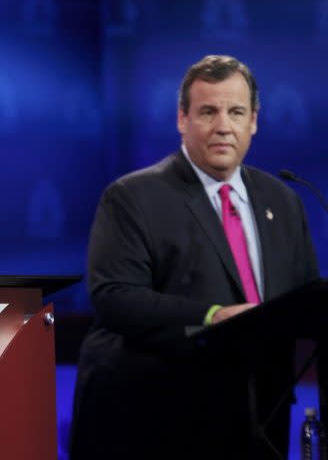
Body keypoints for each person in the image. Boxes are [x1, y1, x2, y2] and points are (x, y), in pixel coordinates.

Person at [70, 55, 319, 459]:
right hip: (163, 413)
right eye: (208, 111)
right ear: (182, 119)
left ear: (254, 120)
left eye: (236, 112)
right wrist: (213, 317)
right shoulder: (134, 196)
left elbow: (305, 299)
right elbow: (114, 297)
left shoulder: (283, 200)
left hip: (263, 411)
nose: (224, 125)